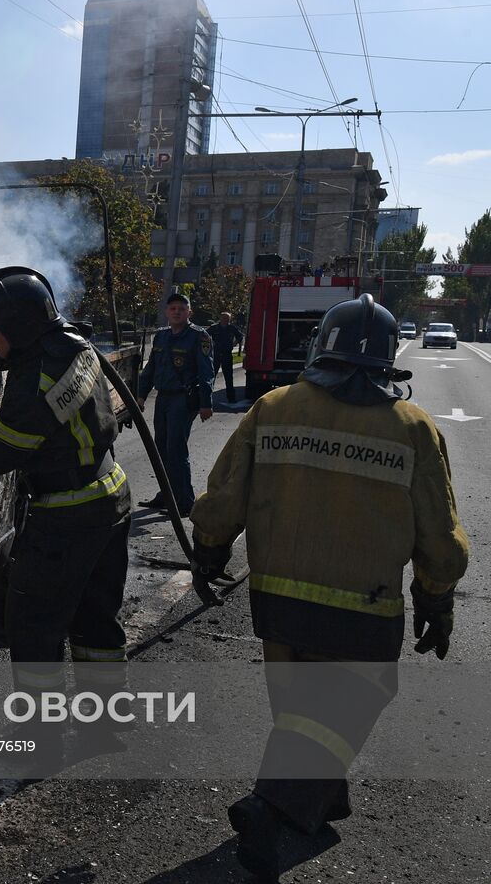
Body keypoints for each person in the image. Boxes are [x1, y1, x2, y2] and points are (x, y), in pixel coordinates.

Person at [188, 294, 469, 882]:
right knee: (348, 702)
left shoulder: (274, 408)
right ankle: (274, 806)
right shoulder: (413, 429)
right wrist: (436, 596)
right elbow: (439, 534)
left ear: (323, 347)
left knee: (300, 708)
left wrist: (209, 553)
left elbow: (223, 497)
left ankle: (317, 799)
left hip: (276, 603)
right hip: (361, 610)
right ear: (388, 360)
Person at [0, 266, 132, 752]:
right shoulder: (72, 344)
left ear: (21, 329)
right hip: (108, 494)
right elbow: (25, 361)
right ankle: (105, 725)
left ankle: (41, 738)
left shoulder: (34, 385)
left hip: (67, 515)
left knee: (32, 628)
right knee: (95, 621)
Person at [136, 293, 214, 517]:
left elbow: (206, 372)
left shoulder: (199, 337)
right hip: (163, 398)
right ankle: (166, 494)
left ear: (190, 312)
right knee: (160, 449)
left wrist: (205, 403)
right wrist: (141, 395)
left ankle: (185, 502)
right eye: (173, 308)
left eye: (182, 308)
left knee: (176, 450)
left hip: (183, 399)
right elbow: (150, 368)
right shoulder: (161, 337)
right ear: (166, 312)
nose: (177, 312)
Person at [208, 311, 244, 405]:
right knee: (211, 377)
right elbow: (204, 335)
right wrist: (209, 345)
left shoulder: (232, 328)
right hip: (215, 354)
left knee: (228, 378)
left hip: (227, 354)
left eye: (227, 319)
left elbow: (240, 337)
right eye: (224, 318)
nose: (226, 320)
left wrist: (235, 343)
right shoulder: (214, 327)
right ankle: (206, 398)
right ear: (220, 318)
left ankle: (231, 398)